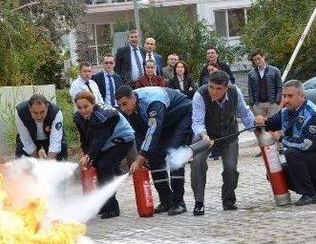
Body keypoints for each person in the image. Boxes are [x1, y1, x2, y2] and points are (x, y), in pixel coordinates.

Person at [255, 80, 316, 206]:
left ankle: (309, 194)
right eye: (284, 96)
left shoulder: (313, 115)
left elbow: (306, 145)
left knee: (292, 154)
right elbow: (271, 123)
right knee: (274, 174)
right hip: (306, 157)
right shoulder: (286, 111)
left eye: (290, 96)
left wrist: (281, 138)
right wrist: (260, 121)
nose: (286, 100)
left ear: (302, 96)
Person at [115, 85, 192, 215]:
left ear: (133, 98)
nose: (122, 108)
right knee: (154, 156)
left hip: (181, 116)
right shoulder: (129, 109)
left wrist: (142, 155)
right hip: (164, 121)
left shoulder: (153, 102)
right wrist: (142, 154)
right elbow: (139, 133)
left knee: (174, 155)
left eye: (124, 104)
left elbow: (153, 130)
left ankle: (179, 202)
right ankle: (166, 200)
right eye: (120, 105)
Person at [190, 70, 256, 214]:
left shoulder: (235, 92)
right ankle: (199, 202)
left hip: (229, 135)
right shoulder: (199, 95)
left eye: (219, 89)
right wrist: (203, 135)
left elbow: (244, 112)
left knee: (231, 169)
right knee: (197, 163)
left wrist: (255, 127)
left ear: (226, 88)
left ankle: (228, 200)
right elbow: (197, 121)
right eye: (211, 87)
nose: (214, 92)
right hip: (206, 136)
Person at [73, 91, 135, 219]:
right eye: (79, 107)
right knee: (96, 165)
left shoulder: (105, 116)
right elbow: (85, 139)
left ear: (93, 104)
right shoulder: (78, 117)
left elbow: (99, 140)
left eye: (86, 107)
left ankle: (113, 208)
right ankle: (104, 205)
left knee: (104, 166)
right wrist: (87, 156)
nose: (83, 110)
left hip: (122, 140)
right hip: (106, 142)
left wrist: (89, 156)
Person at [247, 50, 282, 156]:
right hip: (258, 104)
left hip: (272, 103)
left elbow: (279, 87)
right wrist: (252, 104)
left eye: (259, 58)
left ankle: (280, 147)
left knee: (275, 124)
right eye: (255, 60)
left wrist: (276, 101)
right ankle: (264, 147)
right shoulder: (251, 73)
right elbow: (250, 90)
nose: (257, 61)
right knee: (261, 127)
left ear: (264, 57)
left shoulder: (275, 71)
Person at [15, 94, 68, 160]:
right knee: (22, 161)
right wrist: (36, 161)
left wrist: (50, 162)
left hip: (49, 138)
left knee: (61, 152)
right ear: (29, 108)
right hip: (31, 138)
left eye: (42, 112)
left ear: (47, 107)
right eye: (35, 113)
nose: (39, 117)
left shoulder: (56, 113)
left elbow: (55, 141)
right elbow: (25, 139)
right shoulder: (20, 113)